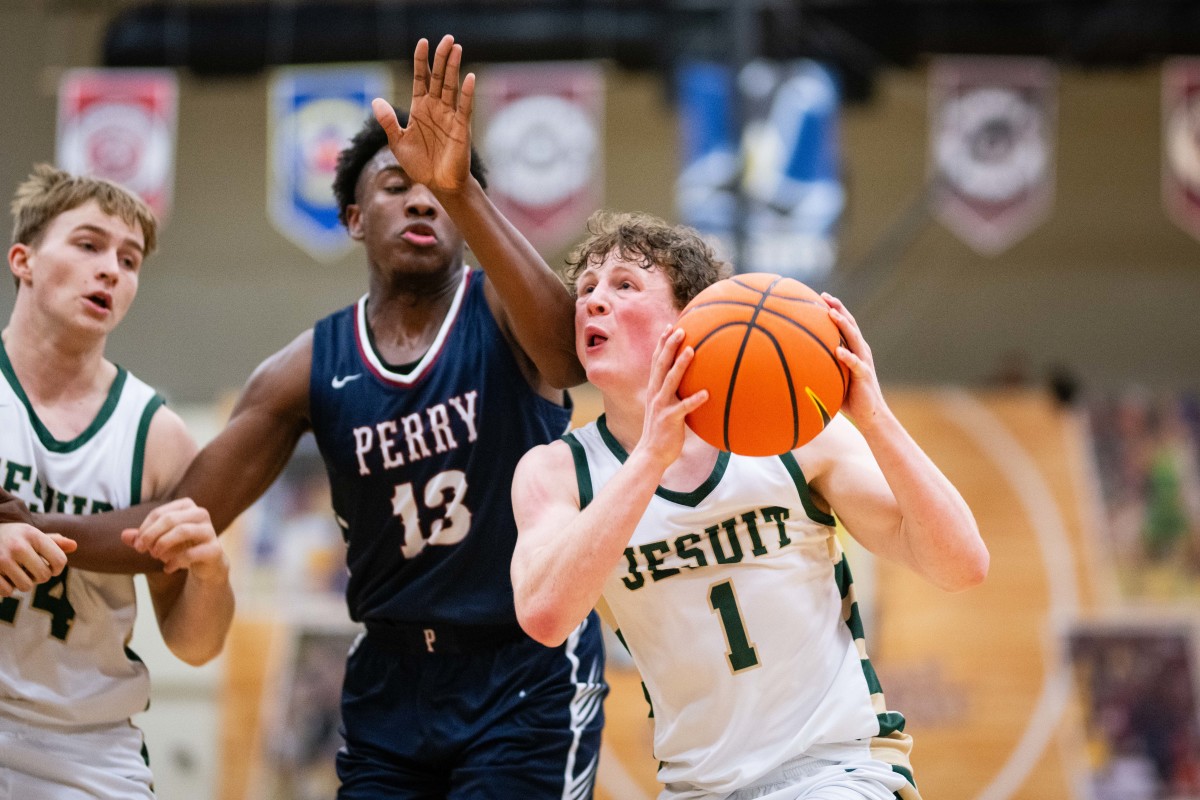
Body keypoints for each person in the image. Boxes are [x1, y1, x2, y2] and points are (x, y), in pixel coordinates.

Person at [0, 36, 607, 799]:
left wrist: (462, 188)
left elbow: (570, 359)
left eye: (436, 190)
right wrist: (43, 526)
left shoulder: (500, 308)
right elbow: (177, 521)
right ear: (354, 218)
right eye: (396, 185)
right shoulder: (303, 368)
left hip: (521, 666)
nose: (421, 198)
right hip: (390, 675)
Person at [510, 211, 990, 800]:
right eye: (585, 290)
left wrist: (874, 417)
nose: (593, 302)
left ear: (691, 318)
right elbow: (544, 616)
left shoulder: (795, 437)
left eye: (624, 285)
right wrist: (650, 460)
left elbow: (962, 565)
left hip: (834, 769)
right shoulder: (557, 472)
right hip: (694, 788)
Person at [0, 164, 234, 799]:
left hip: (88, 747)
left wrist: (212, 574)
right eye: (88, 245)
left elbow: (195, 644)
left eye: (129, 260)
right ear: (22, 259)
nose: (111, 270)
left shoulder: (158, 435)